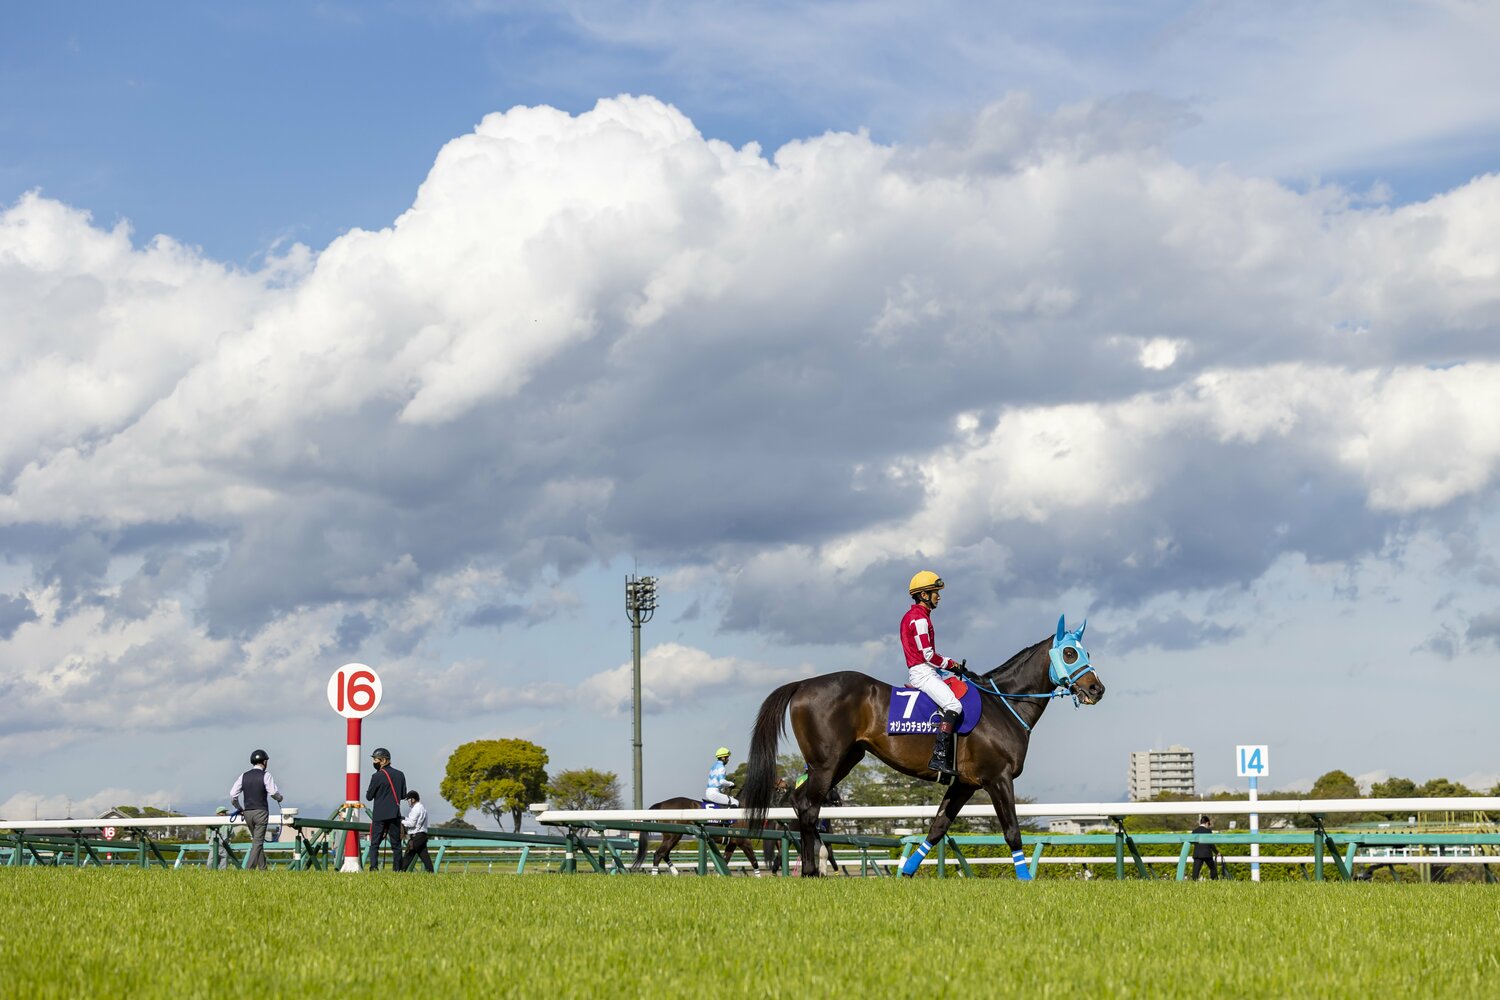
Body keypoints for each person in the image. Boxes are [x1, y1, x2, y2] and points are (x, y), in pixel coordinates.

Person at [900, 571, 968, 778]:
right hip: (923, 672)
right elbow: (927, 655)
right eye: (934, 592)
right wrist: (952, 664)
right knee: (954, 705)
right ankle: (938, 757)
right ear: (923, 595)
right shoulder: (919, 619)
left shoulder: (918, 617)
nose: (938, 596)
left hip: (925, 670)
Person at [229, 749, 284, 870]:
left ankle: (263, 869)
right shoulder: (266, 775)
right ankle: (249, 869)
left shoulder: (243, 776)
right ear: (264, 762)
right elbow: (273, 792)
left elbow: (233, 795)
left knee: (257, 842)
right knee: (258, 842)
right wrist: (280, 798)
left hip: (248, 813)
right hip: (261, 812)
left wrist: (239, 808)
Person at [365, 747, 407, 871]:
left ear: (383, 760)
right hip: (394, 813)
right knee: (396, 845)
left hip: (379, 815)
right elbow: (403, 795)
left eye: (375, 759)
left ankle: (374, 867)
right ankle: (397, 869)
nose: (374, 762)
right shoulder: (400, 774)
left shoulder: (376, 776)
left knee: (375, 844)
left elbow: (369, 797)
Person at [400, 791, 434, 873]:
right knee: (425, 856)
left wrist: (401, 821)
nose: (408, 802)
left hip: (416, 836)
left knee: (408, 855)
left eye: (408, 800)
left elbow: (412, 823)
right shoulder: (422, 808)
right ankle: (431, 872)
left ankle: (401, 872)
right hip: (423, 835)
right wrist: (405, 819)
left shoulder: (415, 810)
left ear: (413, 799)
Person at [1191, 815, 1219, 880]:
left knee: (1195, 871)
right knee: (1213, 868)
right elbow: (1211, 844)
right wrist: (1216, 852)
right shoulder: (1208, 831)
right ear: (1206, 822)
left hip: (1197, 854)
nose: (1208, 825)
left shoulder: (1194, 831)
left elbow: (1193, 842)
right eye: (1208, 824)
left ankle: (1193, 884)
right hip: (1207, 854)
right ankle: (1215, 881)